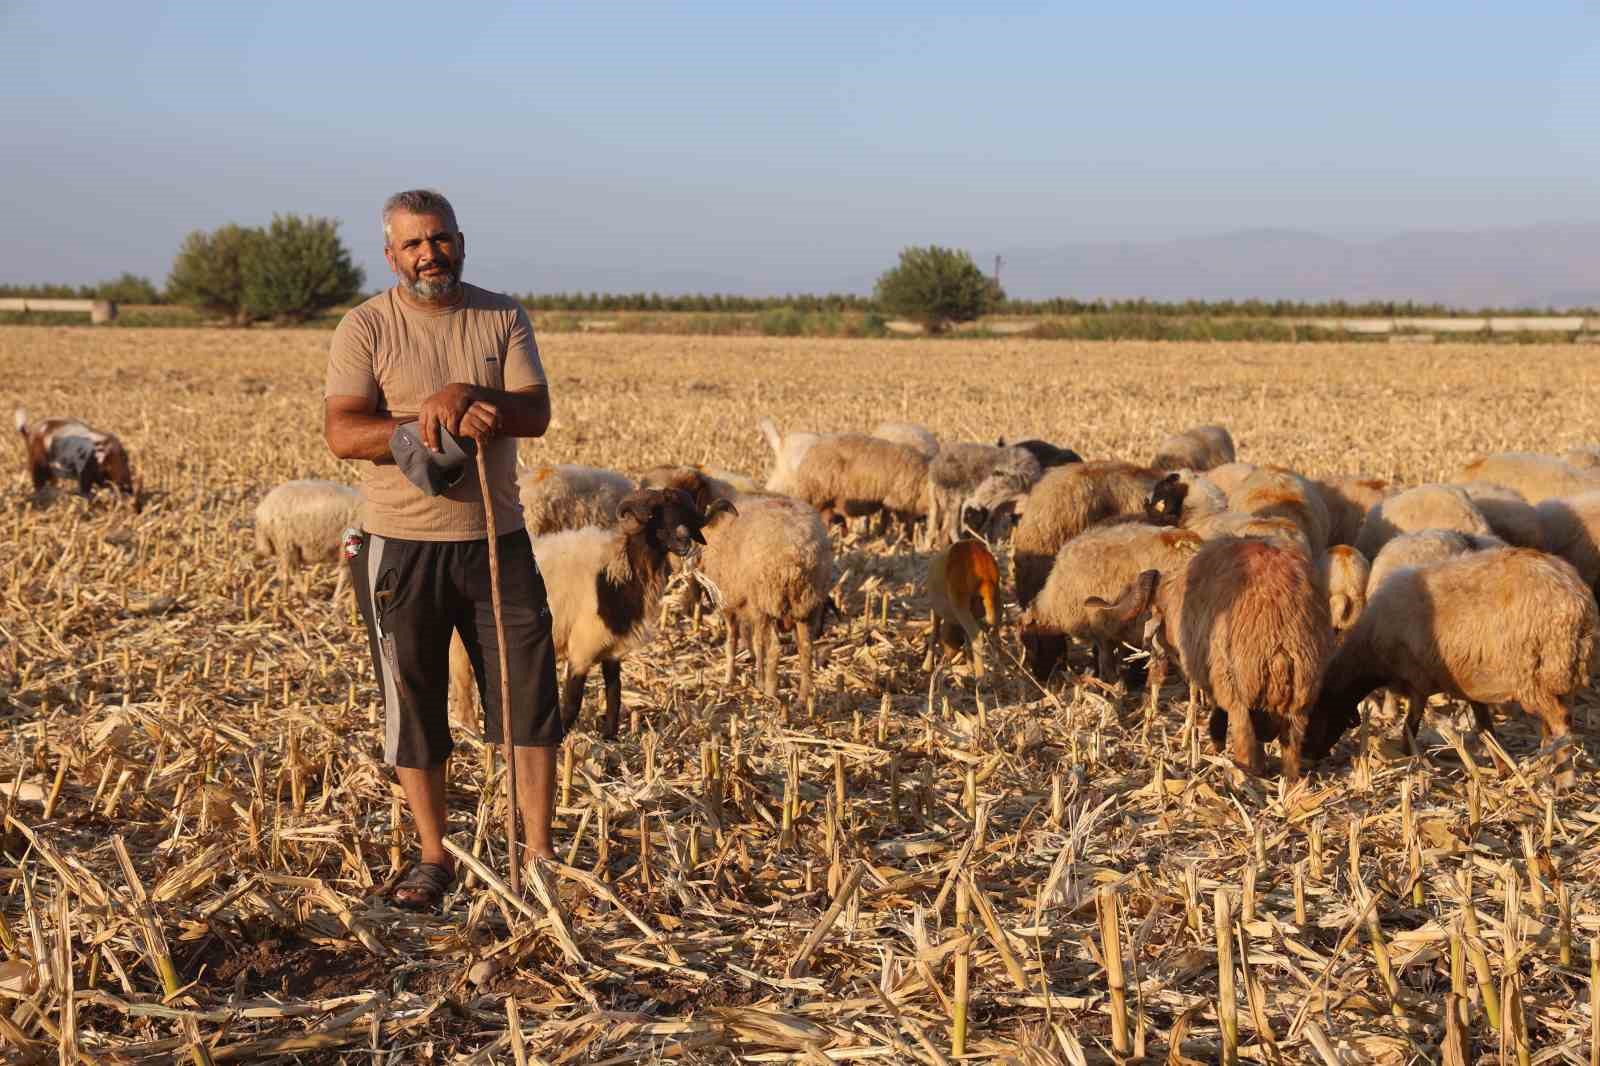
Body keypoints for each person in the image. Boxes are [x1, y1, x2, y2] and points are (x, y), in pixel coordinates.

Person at [323, 188, 561, 911]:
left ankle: (540, 855)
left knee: (528, 698)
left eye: (441, 239)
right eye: (414, 244)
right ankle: (435, 858)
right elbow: (342, 432)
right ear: (392, 255)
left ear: (461, 240)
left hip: (497, 539)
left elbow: (536, 412)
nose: (431, 254)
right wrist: (423, 422)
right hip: (400, 548)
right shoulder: (365, 327)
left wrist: (468, 393)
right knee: (415, 700)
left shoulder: (501, 315)